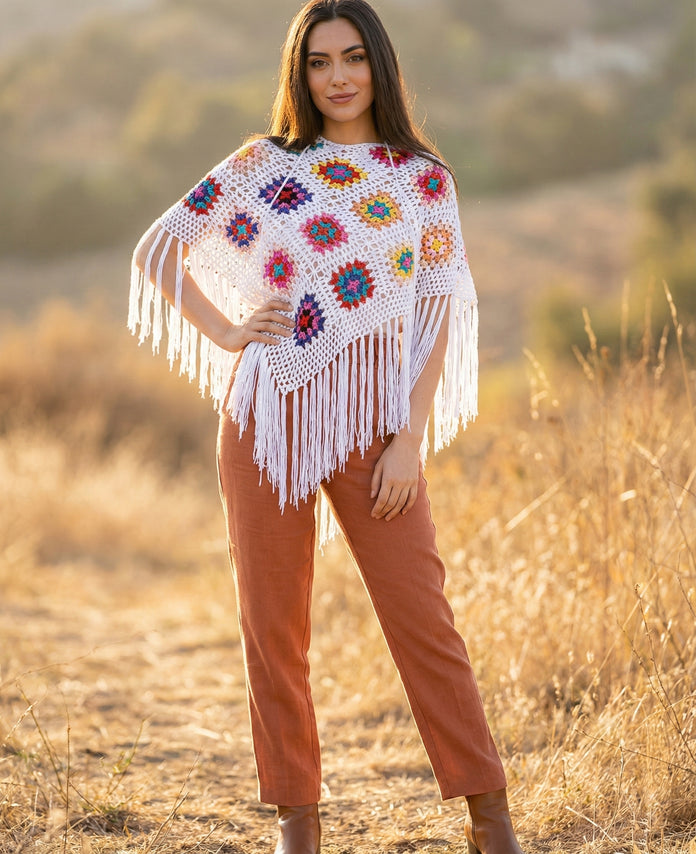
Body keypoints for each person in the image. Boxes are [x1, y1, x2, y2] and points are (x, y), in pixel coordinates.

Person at [129, 1, 526, 852]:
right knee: (273, 627)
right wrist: (229, 331)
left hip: (373, 426)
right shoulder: (265, 164)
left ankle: (488, 816)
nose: (338, 77)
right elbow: (160, 248)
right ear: (298, 73)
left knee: (423, 616)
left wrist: (410, 437)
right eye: (318, 62)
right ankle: (296, 821)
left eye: (353, 58)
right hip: (267, 416)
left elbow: (435, 312)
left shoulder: (421, 178)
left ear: (379, 64)